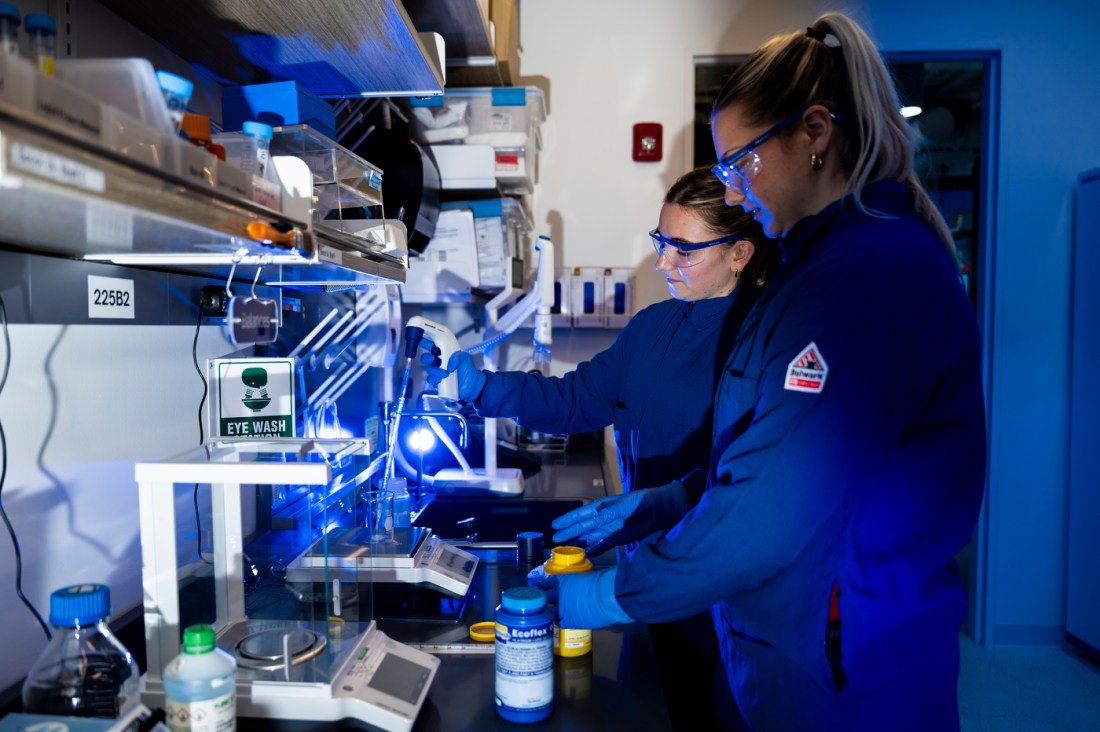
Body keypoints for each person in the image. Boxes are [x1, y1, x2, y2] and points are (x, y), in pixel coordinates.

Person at [546, 13, 986, 731]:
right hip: (779, 642)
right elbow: (776, 448)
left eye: (740, 162)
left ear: (814, 133)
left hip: (844, 664)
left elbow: (767, 516)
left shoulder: (865, 279)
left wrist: (595, 598)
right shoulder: (808, 267)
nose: (732, 188)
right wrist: (662, 502)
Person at [420, 165, 775, 730]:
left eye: (684, 250)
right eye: (662, 243)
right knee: (656, 702)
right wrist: (482, 386)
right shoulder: (654, 327)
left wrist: (665, 505)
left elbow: (761, 483)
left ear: (739, 254)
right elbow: (574, 399)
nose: (663, 264)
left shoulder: (765, 341)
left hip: (718, 579)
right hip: (642, 563)